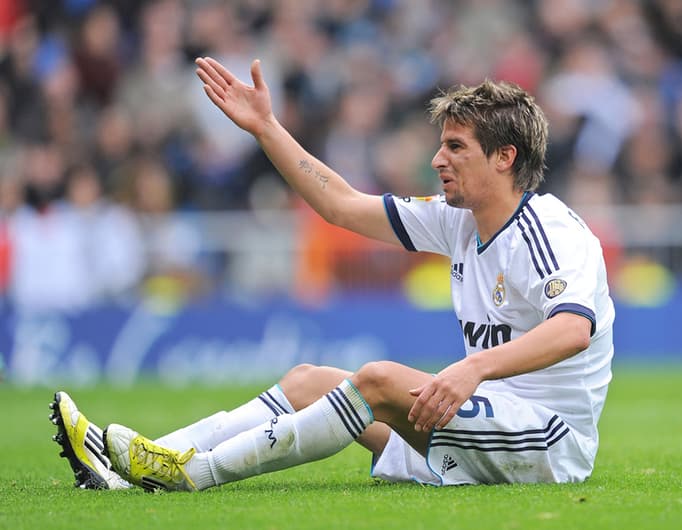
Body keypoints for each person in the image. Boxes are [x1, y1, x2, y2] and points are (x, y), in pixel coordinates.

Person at [49, 56, 614, 491]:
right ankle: (127, 465)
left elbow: (573, 328)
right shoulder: (458, 221)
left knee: (378, 379)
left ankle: (194, 474)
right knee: (306, 381)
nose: (438, 159)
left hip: (546, 441)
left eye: (455, 147)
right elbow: (341, 205)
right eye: (441, 145)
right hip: (484, 423)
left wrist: (473, 370)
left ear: (504, 157)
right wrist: (266, 127)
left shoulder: (549, 231)